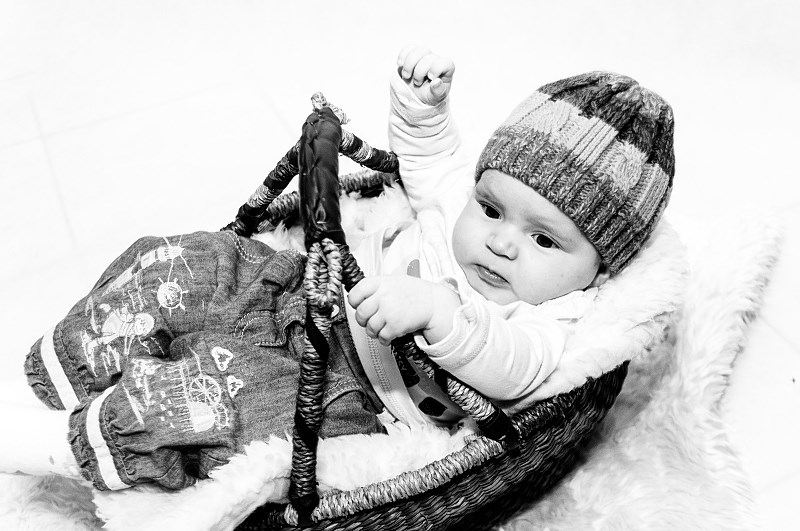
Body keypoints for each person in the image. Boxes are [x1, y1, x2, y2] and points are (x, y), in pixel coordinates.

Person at [14, 46, 675, 491]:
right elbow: (430, 158)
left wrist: (442, 313)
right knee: (196, 264)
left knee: (222, 395)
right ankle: (68, 360)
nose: (501, 241)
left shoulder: (553, 317)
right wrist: (421, 108)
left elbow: (514, 366)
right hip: (307, 286)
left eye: (544, 240)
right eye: (493, 208)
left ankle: (71, 446)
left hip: (352, 391)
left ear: (599, 267)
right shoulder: (459, 205)